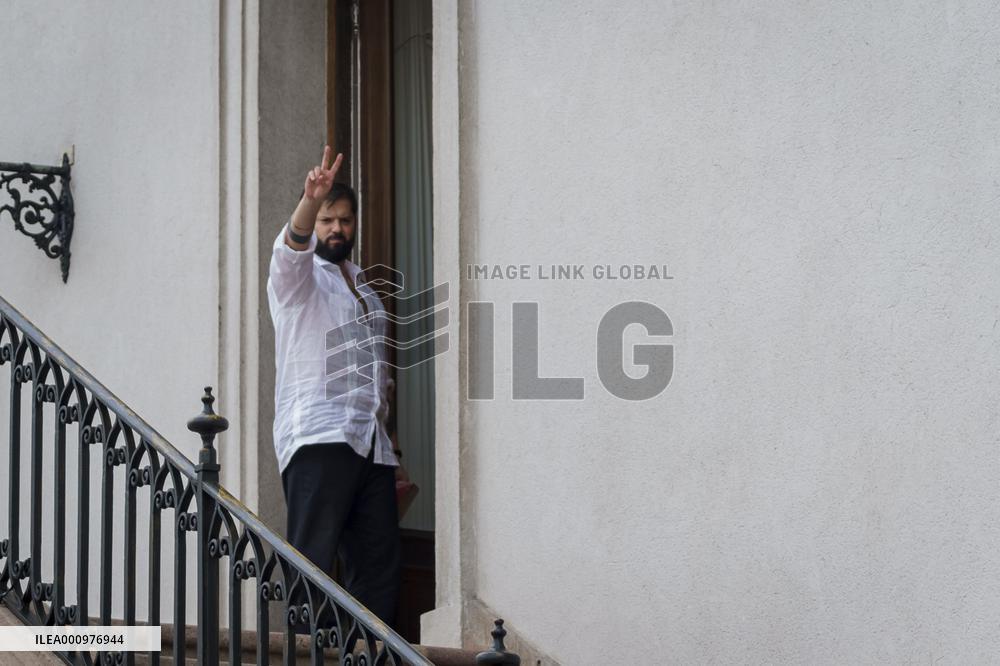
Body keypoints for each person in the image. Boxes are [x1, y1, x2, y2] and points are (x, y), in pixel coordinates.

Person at [267, 145, 408, 629]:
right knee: (313, 561)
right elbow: (290, 248)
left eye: (345, 221)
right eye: (328, 219)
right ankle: (305, 655)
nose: (337, 230)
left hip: (371, 449)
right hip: (319, 436)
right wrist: (310, 200)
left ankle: (364, 654)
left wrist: (391, 446)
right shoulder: (300, 280)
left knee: (380, 565)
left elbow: (378, 376)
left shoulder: (365, 288)